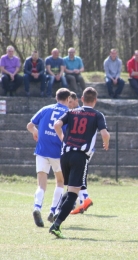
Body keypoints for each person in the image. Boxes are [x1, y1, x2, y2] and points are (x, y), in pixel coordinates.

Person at [49, 87, 110, 238]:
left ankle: (57, 212)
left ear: (82, 98)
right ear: (95, 100)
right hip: (80, 156)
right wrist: (106, 142)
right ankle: (56, 225)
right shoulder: (97, 115)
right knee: (74, 194)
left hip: (65, 154)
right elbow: (105, 133)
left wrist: (63, 139)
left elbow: (57, 125)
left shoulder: (71, 111)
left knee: (71, 189)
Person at [27, 88, 71, 227]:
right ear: (68, 99)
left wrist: (35, 132)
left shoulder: (46, 108)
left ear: (56, 97)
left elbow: (29, 125)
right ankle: (52, 211)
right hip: (57, 152)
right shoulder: (68, 113)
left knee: (41, 184)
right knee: (60, 182)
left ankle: (37, 207)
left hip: (41, 150)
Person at [67, 91, 94, 215]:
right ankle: (81, 202)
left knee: (76, 178)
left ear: (78, 100)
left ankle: (84, 200)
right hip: (79, 150)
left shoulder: (78, 114)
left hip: (80, 150)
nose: (69, 104)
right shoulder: (74, 113)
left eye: (71, 102)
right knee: (77, 178)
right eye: (68, 102)